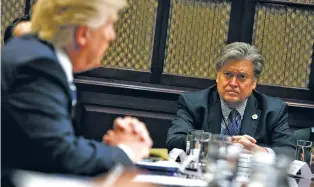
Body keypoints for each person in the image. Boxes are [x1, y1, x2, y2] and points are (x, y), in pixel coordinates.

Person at [1, 0, 152, 176]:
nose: (112, 36)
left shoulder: (34, 54)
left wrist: (107, 150)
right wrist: (126, 151)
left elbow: (44, 146)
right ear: (83, 34)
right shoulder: (37, 66)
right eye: (110, 24)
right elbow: (61, 156)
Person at [166, 42, 296, 158]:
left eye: (242, 76)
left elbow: (289, 151)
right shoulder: (193, 103)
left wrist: (258, 152)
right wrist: (218, 144)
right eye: (227, 74)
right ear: (218, 76)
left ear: (254, 82)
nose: (233, 83)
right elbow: (174, 140)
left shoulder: (273, 109)